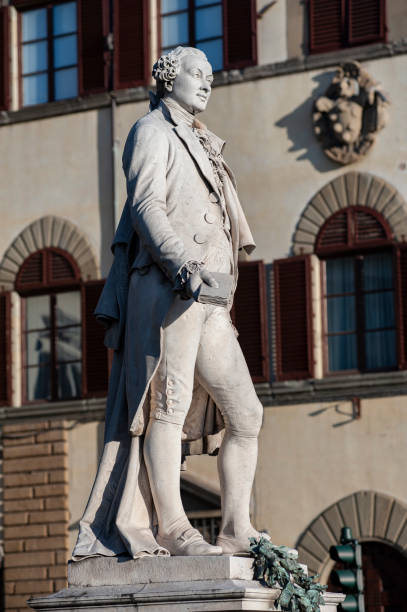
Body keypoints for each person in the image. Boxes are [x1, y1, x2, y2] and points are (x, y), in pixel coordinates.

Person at [72, 46, 264, 560]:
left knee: (247, 414)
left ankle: (236, 528)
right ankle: (173, 527)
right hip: (168, 289)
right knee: (168, 408)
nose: (206, 83)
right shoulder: (151, 131)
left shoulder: (203, 140)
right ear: (167, 78)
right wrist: (181, 265)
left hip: (211, 300)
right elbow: (145, 204)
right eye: (195, 74)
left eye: (210, 75)